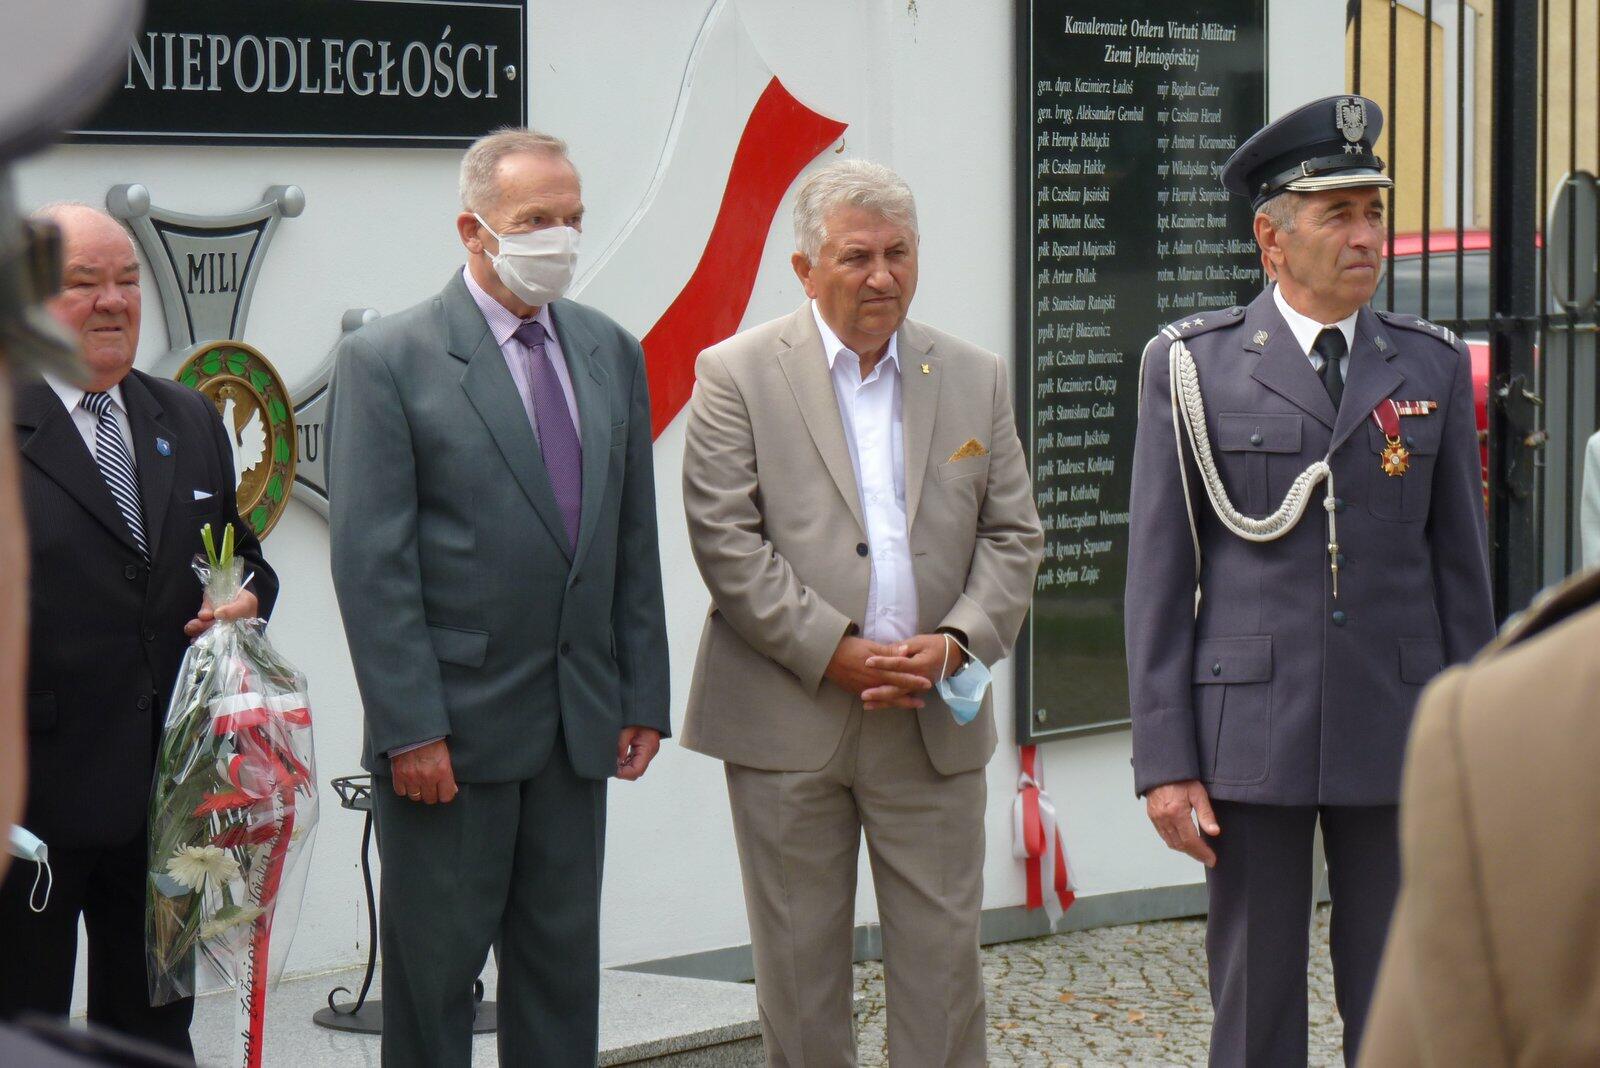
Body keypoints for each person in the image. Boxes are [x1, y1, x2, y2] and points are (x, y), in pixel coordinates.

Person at [1125, 95, 1496, 1066]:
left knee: (1401, 1001)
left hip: (1397, 722)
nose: (1367, 235)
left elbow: (1461, 577)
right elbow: (1158, 579)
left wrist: (1480, 745)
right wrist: (1165, 760)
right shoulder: (1192, 367)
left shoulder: (1428, 364)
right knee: (1255, 1004)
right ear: (1271, 238)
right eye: (1339, 215)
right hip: (1251, 726)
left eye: (1373, 212)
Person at [681, 159, 1043, 1066]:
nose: (882, 276)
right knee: (800, 982)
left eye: (898, 253)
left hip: (932, 715)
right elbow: (726, 540)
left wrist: (957, 643)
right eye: (856, 257)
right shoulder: (735, 374)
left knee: (944, 977)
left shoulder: (974, 375)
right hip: (787, 718)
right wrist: (832, 648)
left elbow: (1013, 535)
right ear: (805, 270)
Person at [327, 128, 670, 1068]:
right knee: (434, 994)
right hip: (450, 742)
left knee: (560, 986)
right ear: (473, 230)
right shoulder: (389, 359)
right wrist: (411, 728)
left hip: (576, 729)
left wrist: (641, 693)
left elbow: (631, 538)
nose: (560, 238)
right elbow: (372, 564)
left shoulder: (608, 350)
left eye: (573, 218)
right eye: (535, 220)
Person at [0, 204, 277, 1058]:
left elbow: (244, 559)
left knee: (154, 1035)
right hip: (31, 805)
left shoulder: (186, 418)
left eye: (126, 280)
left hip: (168, 799)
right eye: (82, 283)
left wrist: (245, 599)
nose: (113, 300)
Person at [1357, 568, 1600, 1066]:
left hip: (1394, 719)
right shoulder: (1495, 724)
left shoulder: (1499, 726)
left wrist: (1472, 734)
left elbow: (1460, 575)